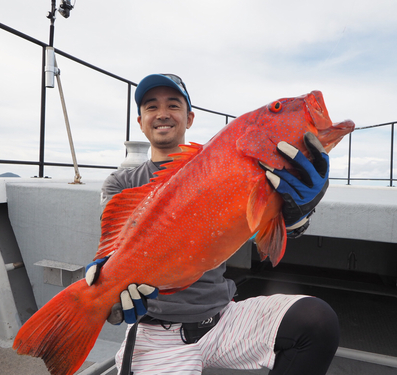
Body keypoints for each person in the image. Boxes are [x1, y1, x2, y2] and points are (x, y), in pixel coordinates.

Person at [88, 74, 339, 375]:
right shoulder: (122, 184)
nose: (163, 113)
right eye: (152, 106)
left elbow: (262, 231)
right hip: (157, 334)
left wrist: (296, 213)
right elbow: (113, 247)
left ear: (189, 118)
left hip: (222, 319)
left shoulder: (225, 163)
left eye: (174, 105)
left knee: (317, 321)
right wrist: (107, 290)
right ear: (140, 120)